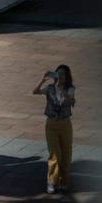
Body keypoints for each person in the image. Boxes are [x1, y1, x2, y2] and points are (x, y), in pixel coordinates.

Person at [33, 64, 76, 194]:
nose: (60, 76)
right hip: (51, 124)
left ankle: (64, 181)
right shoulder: (50, 88)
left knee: (66, 154)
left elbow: (71, 100)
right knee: (55, 155)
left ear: (67, 76)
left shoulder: (70, 89)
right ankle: (52, 181)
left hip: (65, 124)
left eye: (63, 74)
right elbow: (35, 92)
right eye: (58, 74)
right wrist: (43, 80)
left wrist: (61, 89)